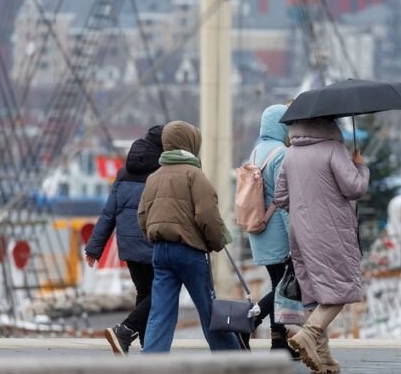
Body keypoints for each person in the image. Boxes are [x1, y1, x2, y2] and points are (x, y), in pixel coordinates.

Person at [274, 118, 370, 373]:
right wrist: (360, 167)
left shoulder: (291, 153)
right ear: (330, 124)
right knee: (342, 286)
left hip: (299, 232)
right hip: (330, 231)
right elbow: (355, 187)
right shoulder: (333, 149)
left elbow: (281, 197)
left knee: (312, 293)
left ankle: (324, 357)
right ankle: (310, 333)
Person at [138, 121, 239, 353]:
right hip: (190, 251)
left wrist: (155, 238)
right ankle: (231, 359)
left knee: (160, 313)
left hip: (161, 252)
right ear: (191, 143)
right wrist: (215, 242)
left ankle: (151, 363)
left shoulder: (154, 177)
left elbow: (142, 216)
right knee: (209, 311)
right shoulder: (195, 175)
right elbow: (208, 216)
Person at [84, 125, 163, 355]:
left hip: (128, 245)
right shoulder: (161, 172)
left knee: (144, 291)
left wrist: (94, 248)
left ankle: (145, 343)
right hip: (152, 242)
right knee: (161, 291)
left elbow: (109, 213)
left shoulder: (124, 172)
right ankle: (126, 330)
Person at [243, 104, 298, 357]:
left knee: (279, 283)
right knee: (282, 286)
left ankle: (278, 342)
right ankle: (249, 323)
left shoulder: (256, 152)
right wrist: (295, 236)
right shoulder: (282, 154)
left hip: (258, 228)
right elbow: (284, 200)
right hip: (276, 229)